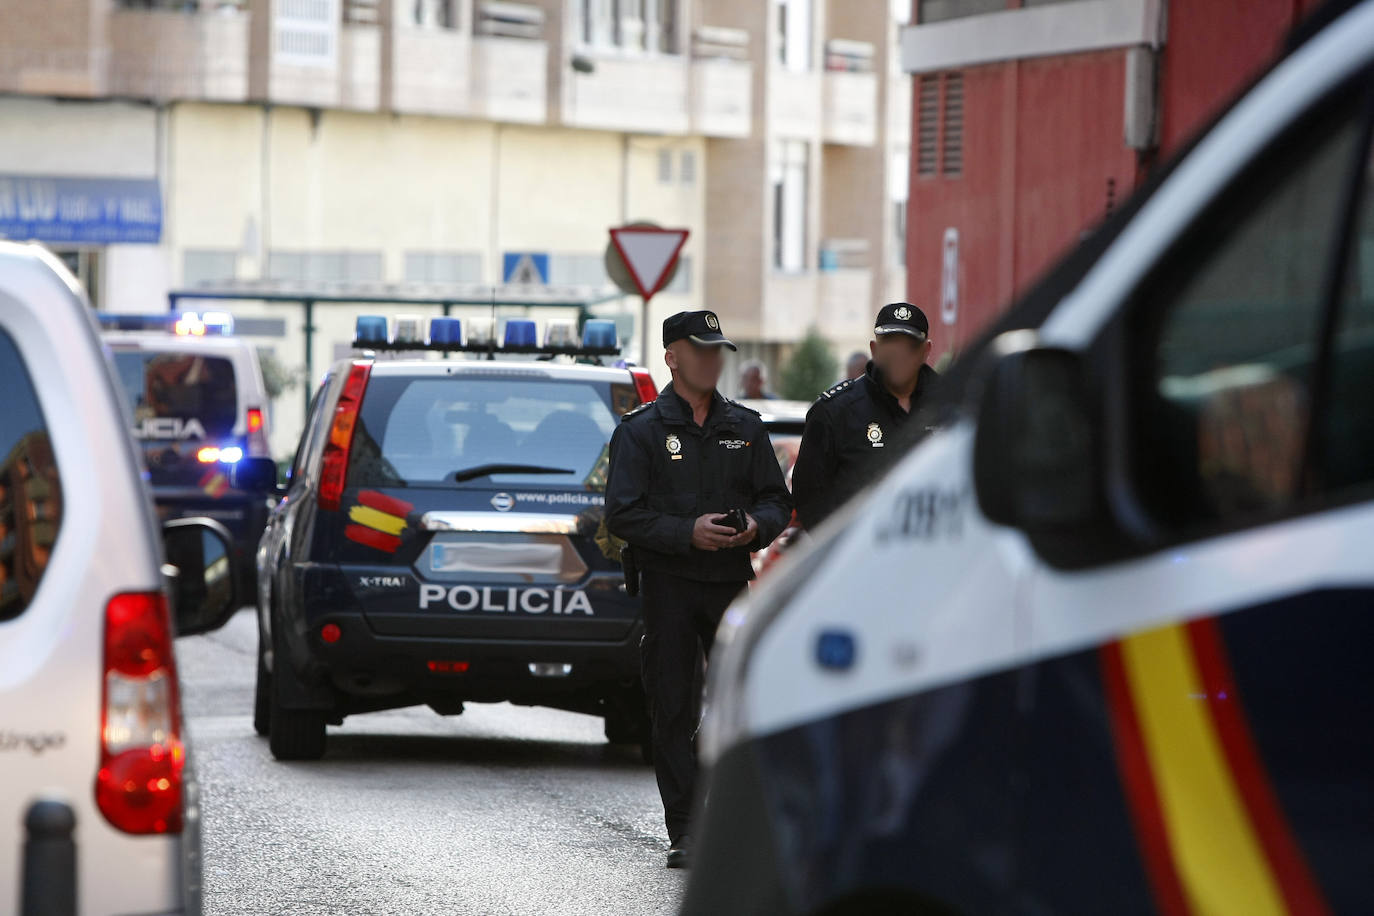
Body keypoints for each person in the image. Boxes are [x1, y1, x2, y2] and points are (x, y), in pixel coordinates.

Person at [606, 310, 793, 869]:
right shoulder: (640, 431)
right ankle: (686, 829)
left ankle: (734, 819)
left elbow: (775, 501)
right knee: (672, 704)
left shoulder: (745, 426)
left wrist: (756, 527)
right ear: (672, 356)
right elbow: (623, 514)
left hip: (730, 582)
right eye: (701, 349)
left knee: (742, 699)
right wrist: (687, 532)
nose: (712, 359)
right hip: (668, 586)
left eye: (718, 351)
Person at [791, 303, 939, 531]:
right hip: (861, 557)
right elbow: (810, 501)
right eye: (890, 346)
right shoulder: (836, 411)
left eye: (908, 347)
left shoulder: (953, 406)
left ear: (925, 351)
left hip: (934, 556)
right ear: (874, 349)